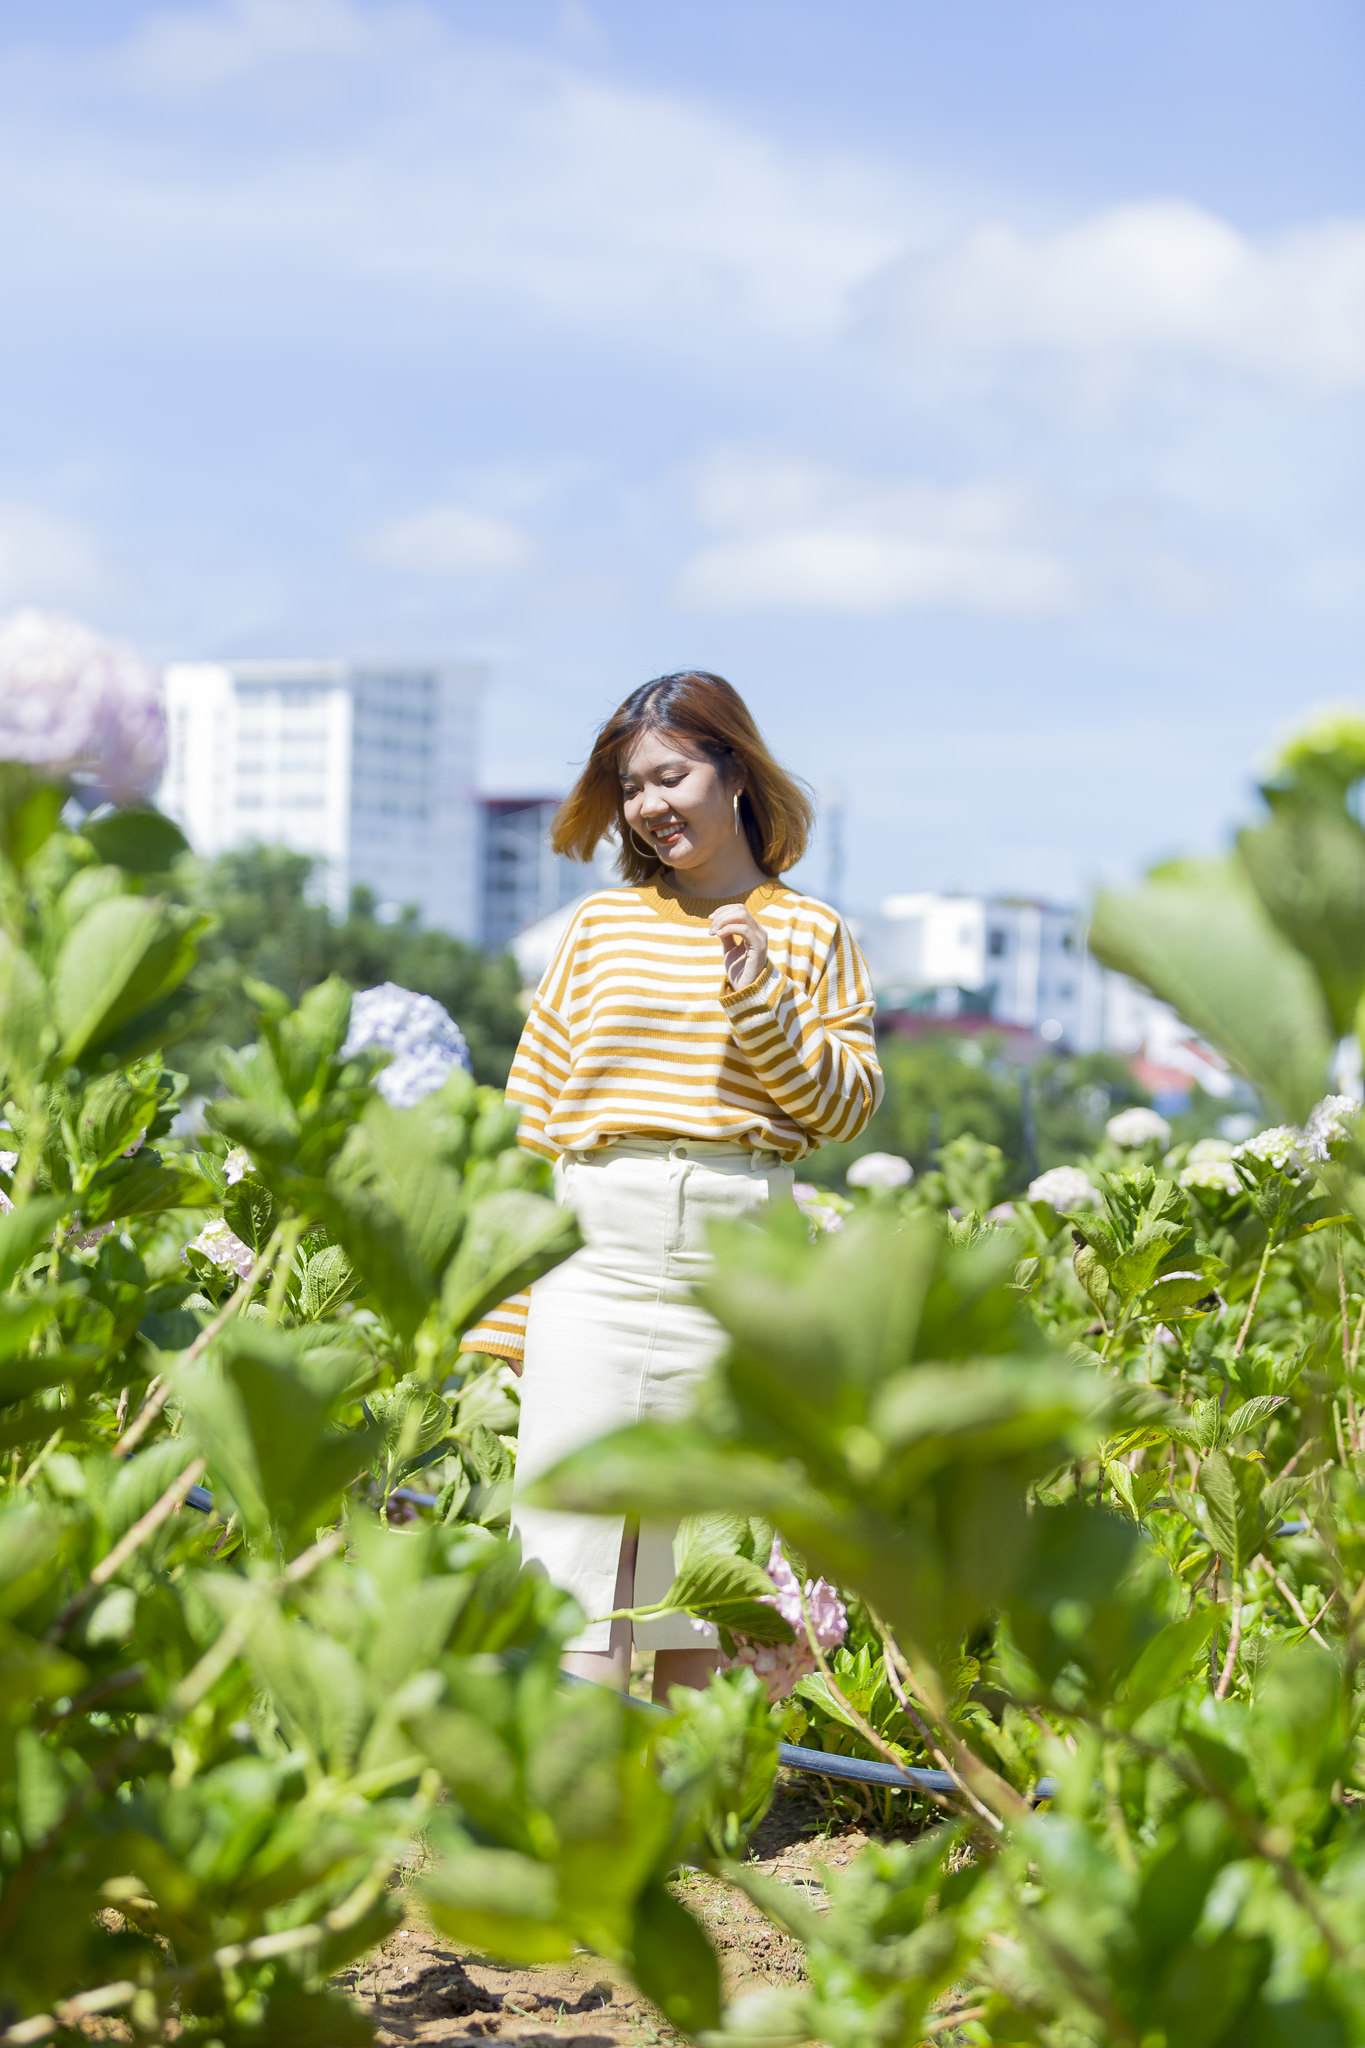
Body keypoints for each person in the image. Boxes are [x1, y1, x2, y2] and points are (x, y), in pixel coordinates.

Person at [461, 671, 881, 1699]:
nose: (649, 804)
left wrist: (759, 998)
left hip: (739, 1241)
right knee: (574, 1547)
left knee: (710, 1560)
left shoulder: (812, 933)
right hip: (594, 1238)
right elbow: (531, 1119)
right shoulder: (599, 929)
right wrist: (504, 1313)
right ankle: (578, 1816)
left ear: (733, 768)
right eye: (631, 784)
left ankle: (697, 1827)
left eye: (671, 774)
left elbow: (841, 1107)